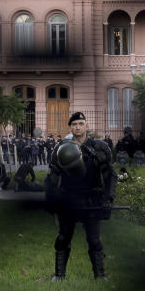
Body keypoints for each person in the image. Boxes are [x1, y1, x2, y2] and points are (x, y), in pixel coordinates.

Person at [45, 111, 117, 281]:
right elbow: (53, 177)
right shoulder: (60, 148)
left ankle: (100, 275)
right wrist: (50, 199)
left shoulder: (99, 147)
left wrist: (108, 198)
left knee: (94, 239)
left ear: (87, 126)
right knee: (63, 237)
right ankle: (59, 275)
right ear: (70, 127)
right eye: (74, 124)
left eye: (80, 124)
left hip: (91, 198)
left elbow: (110, 175)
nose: (77, 127)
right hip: (67, 198)